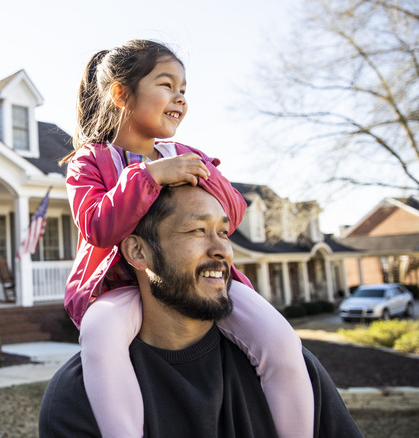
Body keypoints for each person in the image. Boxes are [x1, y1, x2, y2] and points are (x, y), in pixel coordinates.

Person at [60, 39, 313, 437]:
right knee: (99, 335)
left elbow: (233, 209)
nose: (179, 97)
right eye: (166, 85)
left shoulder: (185, 152)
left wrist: (203, 173)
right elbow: (97, 227)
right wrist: (149, 176)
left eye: (183, 89)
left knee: (279, 339)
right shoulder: (90, 160)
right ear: (121, 93)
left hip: (201, 280)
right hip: (122, 286)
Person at [40, 185, 363, 437]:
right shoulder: (77, 395)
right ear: (138, 251)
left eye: (223, 232)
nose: (222, 250)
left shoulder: (291, 367)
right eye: (197, 231)